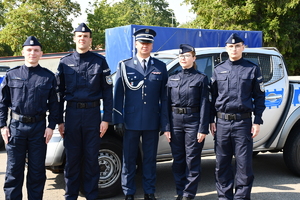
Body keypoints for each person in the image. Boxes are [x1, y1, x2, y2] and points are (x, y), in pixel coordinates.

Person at [56, 23, 113, 200]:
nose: (82, 39)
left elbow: (108, 91)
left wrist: (107, 119)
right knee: (72, 160)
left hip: (93, 115)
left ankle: (91, 196)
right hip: (72, 115)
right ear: (74, 38)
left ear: (90, 40)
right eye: (79, 36)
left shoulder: (99, 61)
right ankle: (70, 196)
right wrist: (59, 121)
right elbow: (58, 93)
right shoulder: (64, 62)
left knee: (91, 159)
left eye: (86, 36)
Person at [0, 36, 59, 200]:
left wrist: (51, 126)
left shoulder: (48, 77)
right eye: (29, 50)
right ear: (23, 52)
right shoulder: (12, 74)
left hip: (39, 129)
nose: (32, 53)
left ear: (41, 53)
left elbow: (55, 104)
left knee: (37, 171)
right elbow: (2, 102)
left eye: (36, 50)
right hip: (16, 128)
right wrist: (2, 126)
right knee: (13, 171)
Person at [113, 28, 169, 200]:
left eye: (148, 43)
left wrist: (164, 122)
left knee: (150, 159)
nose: (145, 46)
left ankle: (149, 191)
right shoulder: (125, 65)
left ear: (152, 45)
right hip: (130, 121)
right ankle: (129, 192)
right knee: (129, 159)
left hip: (152, 121)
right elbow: (118, 95)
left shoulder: (160, 66)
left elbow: (164, 98)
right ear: (136, 44)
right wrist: (118, 120)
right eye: (142, 43)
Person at [210, 33, 266, 200]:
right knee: (222, 164)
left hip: (243, 122)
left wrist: (257, 120)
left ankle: (241, 197)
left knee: (244, 165)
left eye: (237, 46)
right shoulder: (218, 69)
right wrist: (211, 120)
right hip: (222, 124)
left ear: (243, 48)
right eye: (230, 46)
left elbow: (260, 96)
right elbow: (212, 97)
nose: (234, 49)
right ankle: (224, 197)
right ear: (226, 49)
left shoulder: (252, 69)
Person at [163, 44, 210, 200]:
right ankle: (180, 192)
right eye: (181, 56)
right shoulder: (172, 78)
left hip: (193, 122)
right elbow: (166, 104)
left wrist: (203, 128)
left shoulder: (201, 78)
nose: (183, 58)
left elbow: (205, 104)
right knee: (178, 160)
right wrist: (167, 126)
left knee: (192, 159)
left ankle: (188, 194)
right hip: (175, 122)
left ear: (194, 58)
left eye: (187, 56)